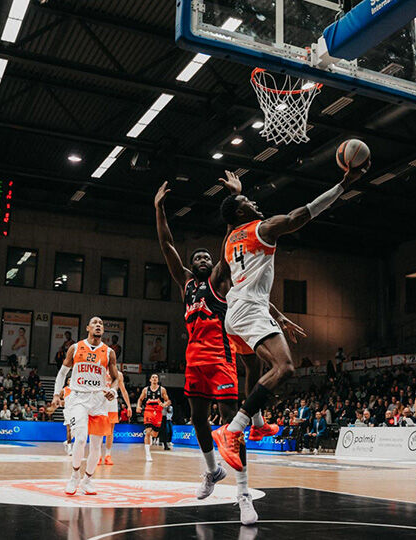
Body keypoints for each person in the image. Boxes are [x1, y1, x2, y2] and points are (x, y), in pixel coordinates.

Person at [155, 175, 304, 517]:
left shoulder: (221, 280)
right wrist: (159, 209)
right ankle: (211, 471)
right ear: (192, 265)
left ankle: (243, 493)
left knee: (230, 425)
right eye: (199, 257)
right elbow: (166, 246)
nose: (205, 259)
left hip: (223, 359)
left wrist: (235, 198)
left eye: (209, 256)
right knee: (197, 419)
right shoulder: (185, 284)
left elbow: (230, 244)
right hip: (193, 363)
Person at [213, 165, 366, 474]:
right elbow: (302, 215)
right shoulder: (263, 228)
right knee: (284, 367)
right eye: (247, 203)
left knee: (253, 367)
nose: (253, 203)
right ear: (241, 215)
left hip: (236, 311)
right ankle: (233, 429)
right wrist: (342, 186)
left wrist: (235, 196)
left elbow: (230, 226)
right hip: (251, 309)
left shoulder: (229, 240)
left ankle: (256, 425)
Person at [53, 317, 120, 496]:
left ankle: (87, 480)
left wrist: (113, 391)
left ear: (103, 330)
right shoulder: (75, 348)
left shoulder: (108, 352)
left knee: (97, 445)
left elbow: (115, 379)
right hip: (78, 398)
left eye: (101, 324)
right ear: (88, 327)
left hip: (99, 400)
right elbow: (62, 373)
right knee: (81, 439)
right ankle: (74, 476)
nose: (98, 325)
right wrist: (55, 393)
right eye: (95, 323)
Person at [96, 370, 131, 465]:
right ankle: (98, 455)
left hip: (112, 402)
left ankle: (108, 455)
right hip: (100, 401)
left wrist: (128, 406)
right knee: (98, 431)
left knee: (110, 431)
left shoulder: (118, 374)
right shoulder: (98, 370)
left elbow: (123, 390)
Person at [135, 374, 170, 463]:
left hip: (158, 413)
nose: (154, 379)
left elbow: (168, 401)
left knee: (155, 434)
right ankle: (148, 454)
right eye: (153, 377)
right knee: (148, 431)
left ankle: (151, 435)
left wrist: (164, 405)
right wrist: (138, 407)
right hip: (148, 411)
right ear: (150, 380)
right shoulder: (146, 390)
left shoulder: (162, 390)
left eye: (156, 377)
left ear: (158, 380)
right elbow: (140, 399)